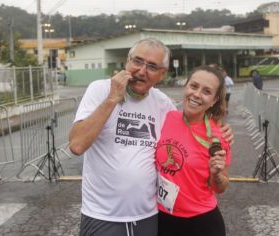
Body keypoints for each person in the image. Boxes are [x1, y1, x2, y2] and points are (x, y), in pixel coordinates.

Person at [69, 38, 233, 236]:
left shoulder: (163, 104)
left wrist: (219, 129)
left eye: (152, 66)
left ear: (162, 74)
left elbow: (191, 124)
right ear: (127, 61)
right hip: (102, 215)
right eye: (137, 61)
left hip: (148, 216)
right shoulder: (100, 89)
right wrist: (112, 98)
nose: (141, 71)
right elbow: (77, 145)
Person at [156, 65, 231, 236]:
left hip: (201, 222)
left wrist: (216, 174)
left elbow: (220, 187)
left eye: (206, 91)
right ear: (185, 86)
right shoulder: (166, 117)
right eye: (194, 86)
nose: (197, 94)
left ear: (213, 100)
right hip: (163, 218)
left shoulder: (218, 137)